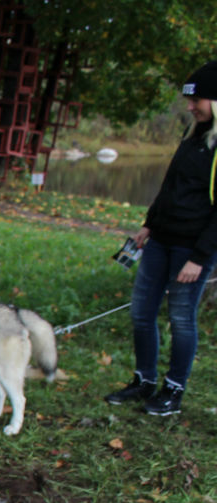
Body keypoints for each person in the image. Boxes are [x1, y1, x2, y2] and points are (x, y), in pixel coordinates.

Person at [105, 60, 217, 417]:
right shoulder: (193, 138)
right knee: (142, 313)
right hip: (160, 240)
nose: (189, 107)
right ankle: (144, 380)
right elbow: (169, 187)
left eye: (195, 100)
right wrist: (148, 225)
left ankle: (173, 391)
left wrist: (199, 258)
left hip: (192, 248)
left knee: (182, 318)